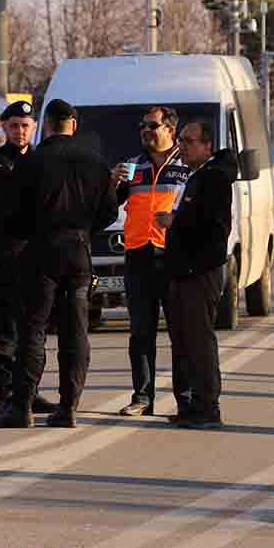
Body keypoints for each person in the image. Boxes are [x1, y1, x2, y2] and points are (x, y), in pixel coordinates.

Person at [0, 98, 117, 430]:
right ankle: (68, 407)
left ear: (46, 125)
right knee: (75, 330)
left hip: (41, 252)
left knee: (33, 329)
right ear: (73, 126)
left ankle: (21, 406)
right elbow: (109, 211)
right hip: (79, 251)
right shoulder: (96, 163)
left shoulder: (32, 162)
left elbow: (14, 214)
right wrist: (83, 230)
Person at [111, 105, 192, 419]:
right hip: (138, 256)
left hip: (173, 257)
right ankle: (142, 397)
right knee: (141, 332)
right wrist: (111, 182)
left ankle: (185, 399)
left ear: (170, 129)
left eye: (152, 125)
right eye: (142, 126)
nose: (145, 130)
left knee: (179, 332)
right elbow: (109, 206)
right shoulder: (133, 165)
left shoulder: (186, 165)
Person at [155, 119, 234, 429]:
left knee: (200, 341)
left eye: (189, 141)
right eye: (181, 141)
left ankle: (207, 406)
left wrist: (176, 221)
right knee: (185, 341)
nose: (183, 147)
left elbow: (213, 228)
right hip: (183, 270)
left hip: (200, 272)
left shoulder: (214, 179)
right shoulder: (197, 176)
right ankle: (190, 404)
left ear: (207, 146)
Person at [0, 101, 48, 423]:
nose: (20, 132)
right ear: (3, 127)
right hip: (10, 253)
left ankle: (28, 391)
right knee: (6, 330)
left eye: (25, 125)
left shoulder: (42, 159)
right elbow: (4, 205)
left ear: (34, 127)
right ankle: (5, 394)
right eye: (14, 126)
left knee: (33, 329)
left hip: (39, 253)